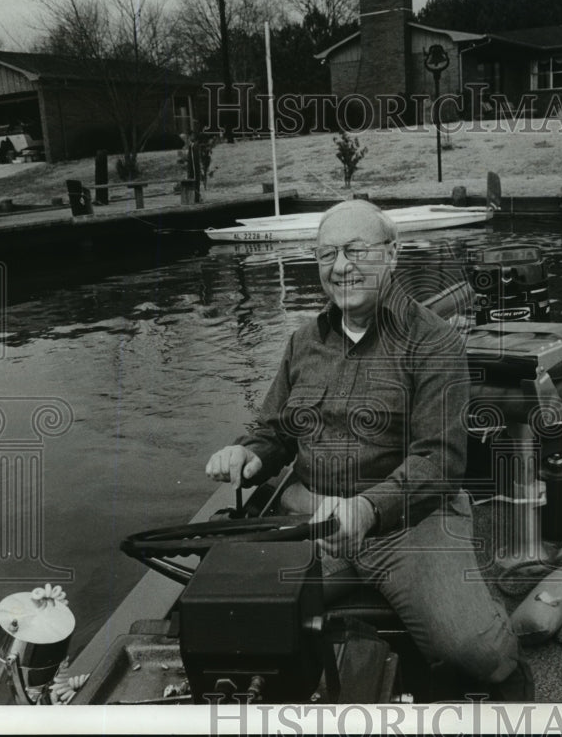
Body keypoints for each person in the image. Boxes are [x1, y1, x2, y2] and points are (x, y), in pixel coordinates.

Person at [204, 199, 532, 700]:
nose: (340, 267)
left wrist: (367, 509)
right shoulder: (302, 342)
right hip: (309, 518)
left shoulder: (435, 342)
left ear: (392, 254)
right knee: (232, 622)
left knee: (485, 659)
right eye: (326, 254)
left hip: (409, 523)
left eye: (356, 250)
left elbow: (440, 462)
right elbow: (274, 430)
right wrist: (249, 454)